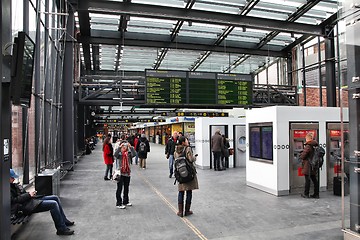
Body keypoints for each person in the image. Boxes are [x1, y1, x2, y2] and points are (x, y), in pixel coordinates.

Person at [10, 169, 74, 235]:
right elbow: (14, 200)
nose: (14, 179)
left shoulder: (12, 185)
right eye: (12, 178)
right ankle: (61, 229)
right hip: (24, 207)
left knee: (55, 197)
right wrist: (28, 195)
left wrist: (29, 194)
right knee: (53, 204)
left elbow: (20, 195)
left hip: (28, 201)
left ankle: (64, 221)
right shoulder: (6, 189)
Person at [174, 136, 198, 217]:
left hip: (180, 174)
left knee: (181, 192)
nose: (187, 141)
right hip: (188, 173)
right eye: (186, 140)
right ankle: (187, 211)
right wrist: (195, 158)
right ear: (183, 142)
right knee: (189, 191)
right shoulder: (187, 149)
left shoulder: (176, 150)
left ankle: (180, 211)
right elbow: (191, 159)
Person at [299, 132, 319, 199]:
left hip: (308, 166)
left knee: (307, 180)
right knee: (314, 180)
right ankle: (316, 194)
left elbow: (303, 156)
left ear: (307, 138)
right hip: (314, 165)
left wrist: (301, 155)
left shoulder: (308, 146)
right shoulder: (315, 145)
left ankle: (306, 194)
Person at [115, 143, 132, 209]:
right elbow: (115, 155)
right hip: (120, 173)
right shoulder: (120, 154)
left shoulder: (128, 154)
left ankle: (126, 201)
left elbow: (134, 154)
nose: (124, 148)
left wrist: (131, 147)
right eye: (123, 147)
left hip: (127, 173)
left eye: (126, 147)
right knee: (119, 188)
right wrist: (119, 148)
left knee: (126, 188)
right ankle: (119, 203)